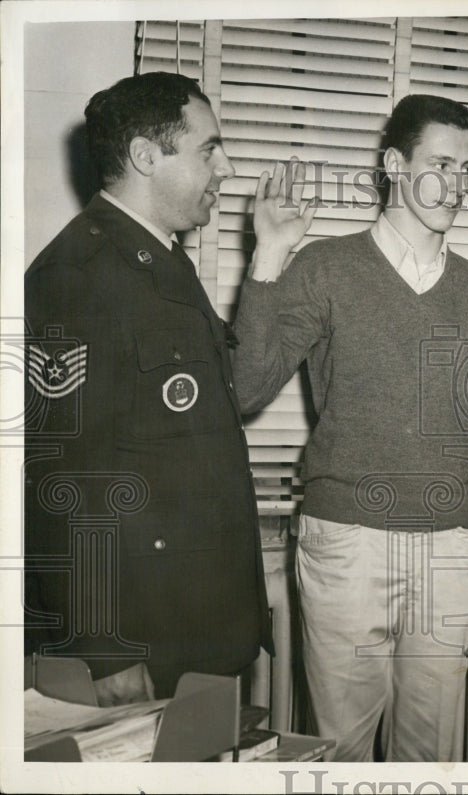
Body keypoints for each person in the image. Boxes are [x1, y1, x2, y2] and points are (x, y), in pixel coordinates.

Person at [232, 94, 468, 762]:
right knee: (339, 751)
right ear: (394, 163)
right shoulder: (323, 267)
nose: (457, 184)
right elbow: (246, 389)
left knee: (431, 756)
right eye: (440, 163)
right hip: (346, 544)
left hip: (451, 547)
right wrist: (268, 255)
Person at [23, 72, 273, 700]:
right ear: (144, 156)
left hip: (197, 624)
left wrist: (270, 256)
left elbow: (218, 406)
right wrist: (103, 650)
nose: (227, 166)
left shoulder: (160, 260)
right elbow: (62, 475)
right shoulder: (76, 275)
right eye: (209, 148)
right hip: (143, 639)